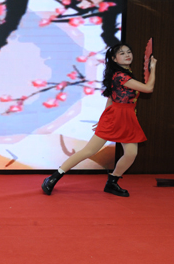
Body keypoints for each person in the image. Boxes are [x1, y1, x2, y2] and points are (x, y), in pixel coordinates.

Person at [42, 43, 157, 197]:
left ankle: (112, 182)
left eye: (128, 52)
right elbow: (148, 88)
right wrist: (153, 68)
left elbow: (111, 98)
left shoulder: (124, 73)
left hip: (127, 117)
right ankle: (53, 178)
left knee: (131, 153)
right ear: (114, 58)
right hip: (116, 117)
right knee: (89, 151)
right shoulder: (121, 76)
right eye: (122, 53)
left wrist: (103, 117)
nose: (127, 55)